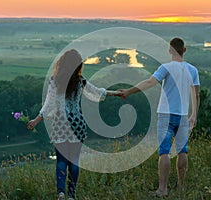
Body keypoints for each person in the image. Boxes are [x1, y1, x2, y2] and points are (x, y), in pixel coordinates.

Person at [27, 49, 119, 200]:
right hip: (77, 123)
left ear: (62, 63)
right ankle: (71, 195)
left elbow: (48, 105)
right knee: (74, 160)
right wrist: (116, 93)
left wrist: (36, 120)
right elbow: (98, 92)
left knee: (61, 160)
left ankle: (61, 193)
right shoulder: (80, 81)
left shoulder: (54, 81)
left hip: (60, 124)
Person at [118, 37, 200, 197]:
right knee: (183, 151)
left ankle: (163, 189)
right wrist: (194, 115)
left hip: (165, 115)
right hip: (183, 116)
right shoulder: (192, 70)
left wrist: (128, 91)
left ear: (169, 50)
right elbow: (196, 94)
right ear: (184, 50)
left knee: (165, 152)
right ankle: (181, 187)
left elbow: (149, 82)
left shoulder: (166, 68)